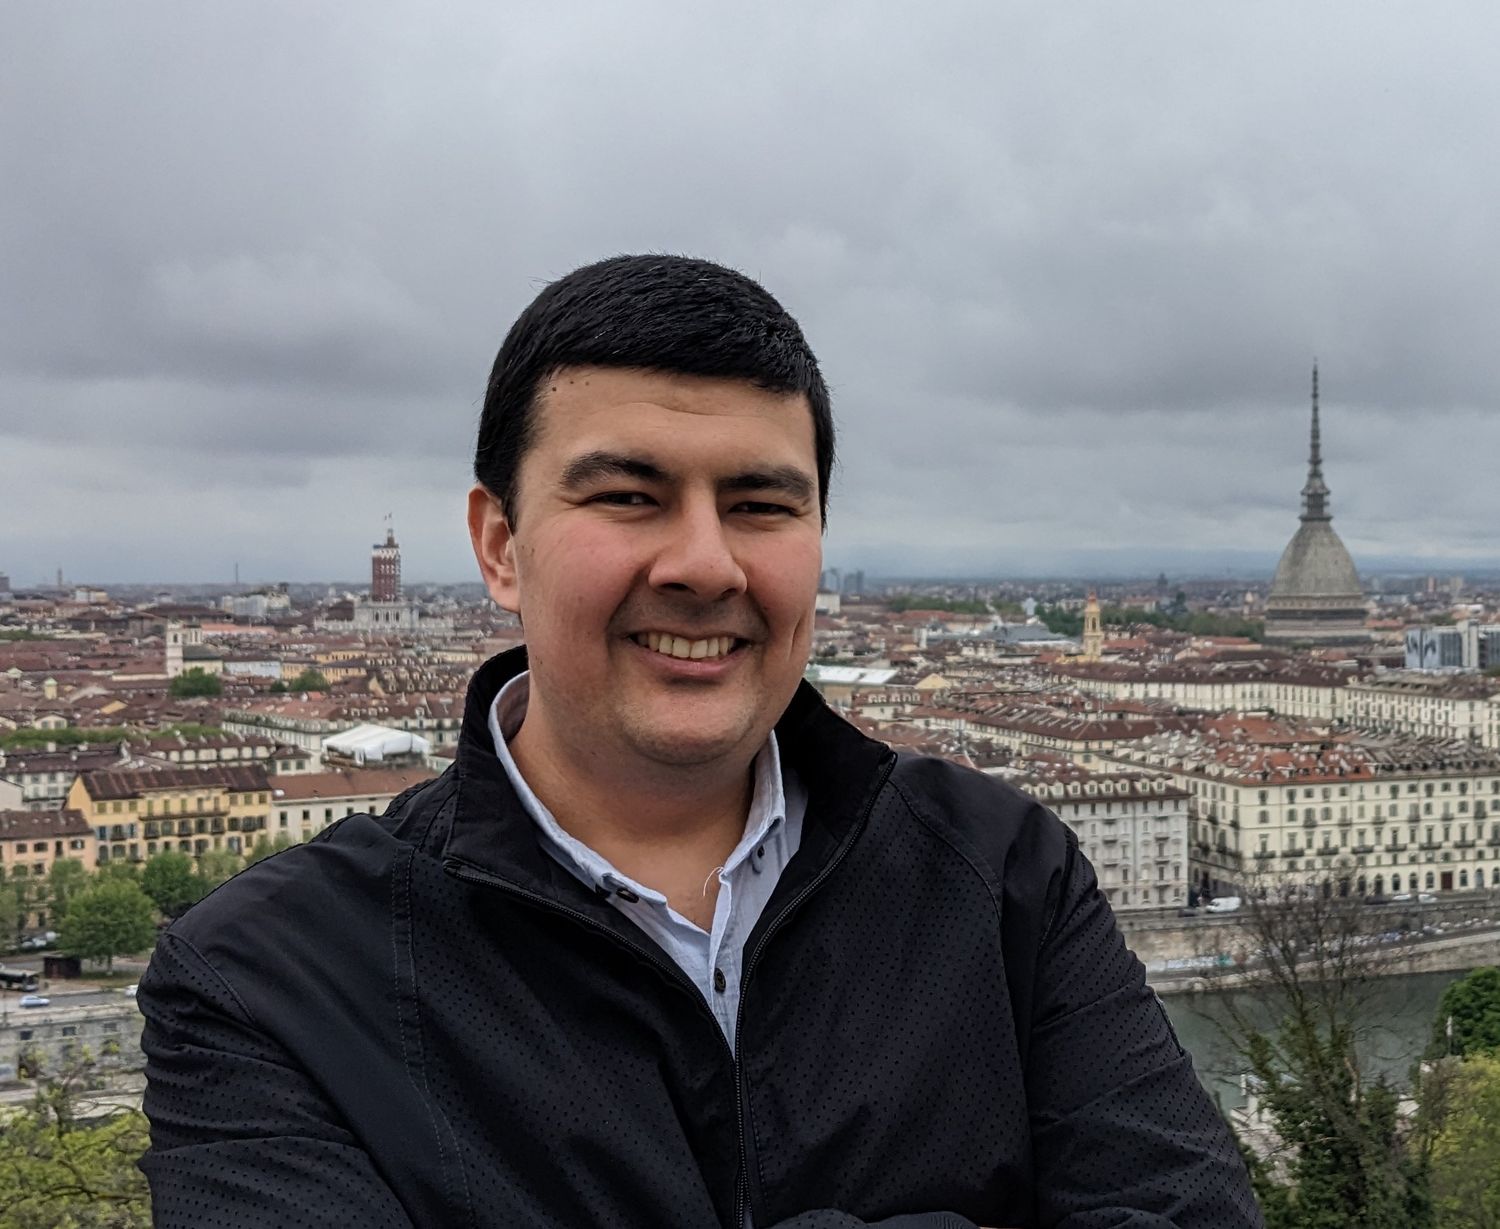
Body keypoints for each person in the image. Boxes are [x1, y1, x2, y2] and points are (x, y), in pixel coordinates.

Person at [138, 254, 1262, 1228]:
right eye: (630, 495)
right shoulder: (260, 982)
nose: (705, 564)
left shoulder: (1006, 868)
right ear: (500, 546)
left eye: (762, 505)